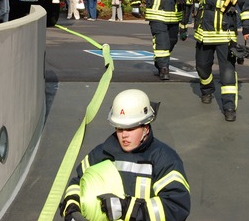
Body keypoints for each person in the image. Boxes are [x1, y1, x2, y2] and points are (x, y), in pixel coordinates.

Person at [59, 89, 190, 221]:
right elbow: (78, 182)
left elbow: (176, 206)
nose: (124, 135)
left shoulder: (164, 159)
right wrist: (71, 207)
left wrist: (127, 208)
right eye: (119, 128)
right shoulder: (103, 152)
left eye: (130, 128)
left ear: (146, 127)